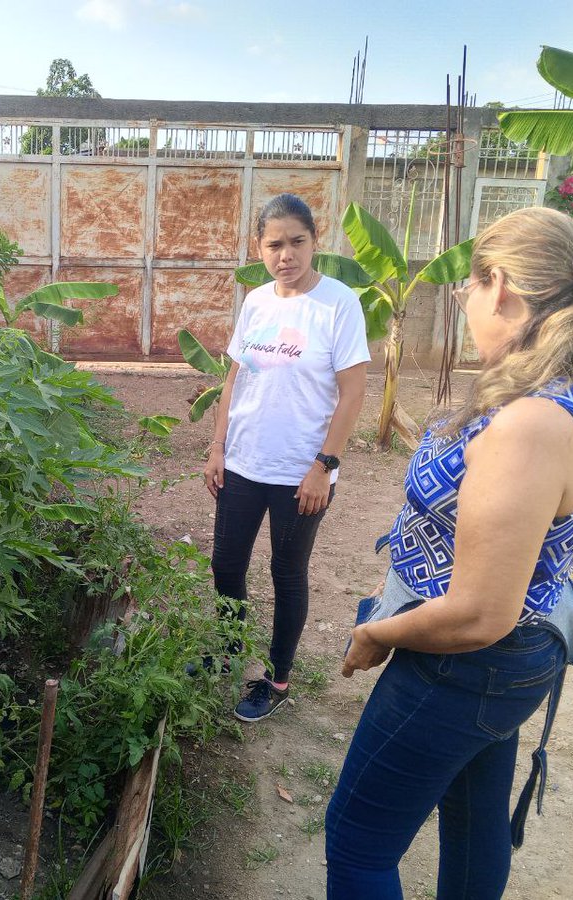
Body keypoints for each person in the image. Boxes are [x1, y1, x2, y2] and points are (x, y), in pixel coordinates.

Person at [326, 206, 573, 899]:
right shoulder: (563, 395)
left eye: (468, 284)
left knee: (357, 844)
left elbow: (478, 614)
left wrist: (378, 633)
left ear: (499, 286)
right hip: (502, 660)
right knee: (473, 824)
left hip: (467, 662)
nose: (465, 298)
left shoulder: (530, 424)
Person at [204, 193, 369, 723]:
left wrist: (325, 466)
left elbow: (353, 392)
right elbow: (234, 379)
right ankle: (228, 652)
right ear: (259, 247)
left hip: (302, 472)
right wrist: (217, 447)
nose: (286, 255)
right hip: (243, 463)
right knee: (226, 563)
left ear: (315, 241)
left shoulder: (338, 303)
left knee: (286, 572)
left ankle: (276, 680)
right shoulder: (256, 302)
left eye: (297, 241)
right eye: (274, 244)